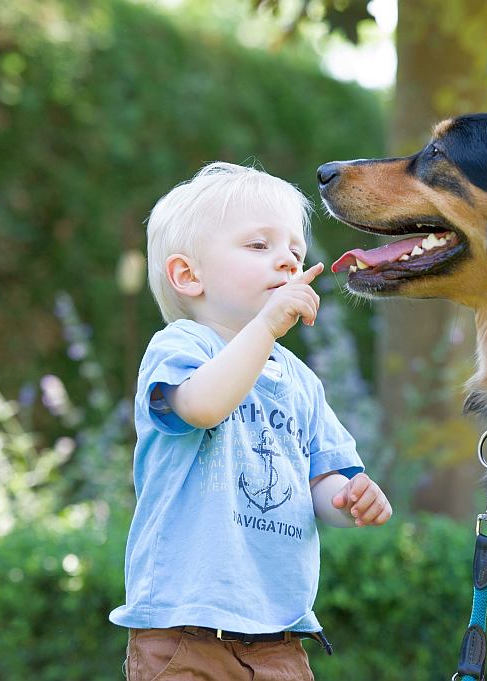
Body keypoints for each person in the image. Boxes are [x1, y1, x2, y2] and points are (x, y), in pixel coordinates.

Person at [109, 162, 393, 681]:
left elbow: (321, 484)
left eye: (296, 251)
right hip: (183, 629)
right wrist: (265, 326)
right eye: (259, 246)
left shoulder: (301, 382)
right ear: (188, 276)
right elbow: (201, 406)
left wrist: (349, 497)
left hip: (278, 635)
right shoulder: (181, 346)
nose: (286, 260)